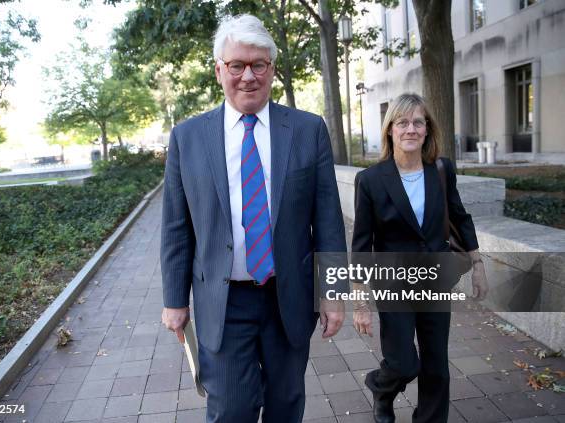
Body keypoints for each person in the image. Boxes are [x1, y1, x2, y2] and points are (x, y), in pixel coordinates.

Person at [160, 14, 347, 423]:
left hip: (290, 296)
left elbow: (328, 218)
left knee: (285, 405)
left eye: (258, 64)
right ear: (218, 70)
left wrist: (332, 292)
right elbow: (176, 226)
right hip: (223, 301)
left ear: (272, 69)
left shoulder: (307, 130)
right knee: (232, 408)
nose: (248, 76)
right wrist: (175, 299)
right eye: (237, 65)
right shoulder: (187, 138)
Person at [351, 93, 488, 423]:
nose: (410, 129)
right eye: (402, 122)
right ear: (390, 130)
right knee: (402, 363)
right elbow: (361, 242)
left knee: (436, 365)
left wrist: (478, 263)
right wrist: (359, 298)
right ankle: (381, 387)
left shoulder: (441, 171)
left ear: (427, 129)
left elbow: (459, 216)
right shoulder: (370, 180)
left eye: (417, 122)